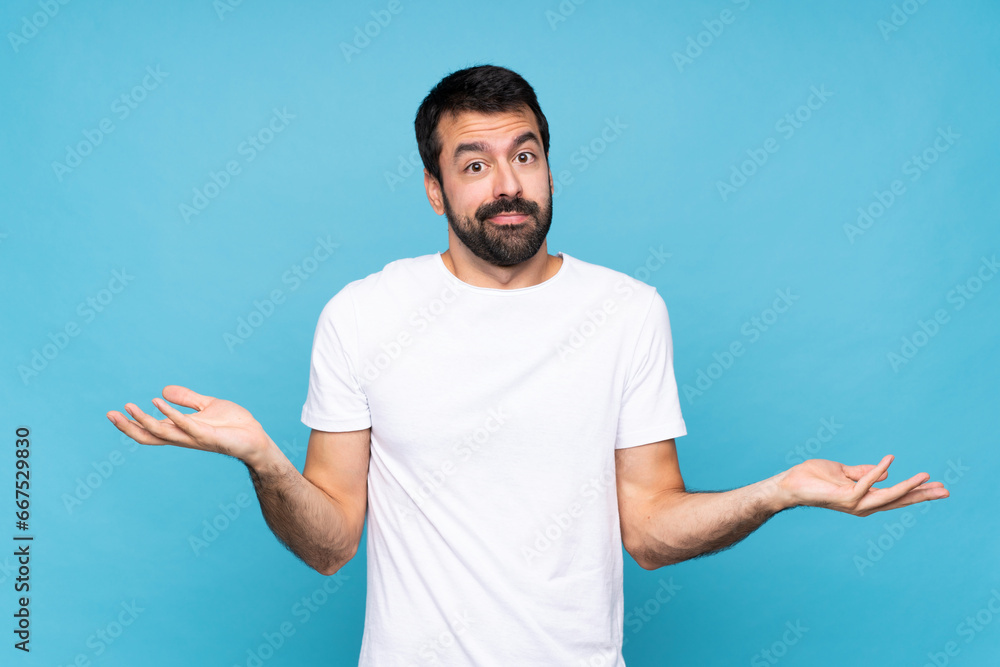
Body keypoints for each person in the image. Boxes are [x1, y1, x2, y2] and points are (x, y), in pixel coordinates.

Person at [107, 65, 950, 666]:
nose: (507, 183)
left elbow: (651, 530)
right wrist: (263, 459)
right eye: (474, 163)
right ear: (435, 189)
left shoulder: (626, 311)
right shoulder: (362, 314)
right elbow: (330, 544)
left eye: (525, 154)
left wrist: (779, 490)